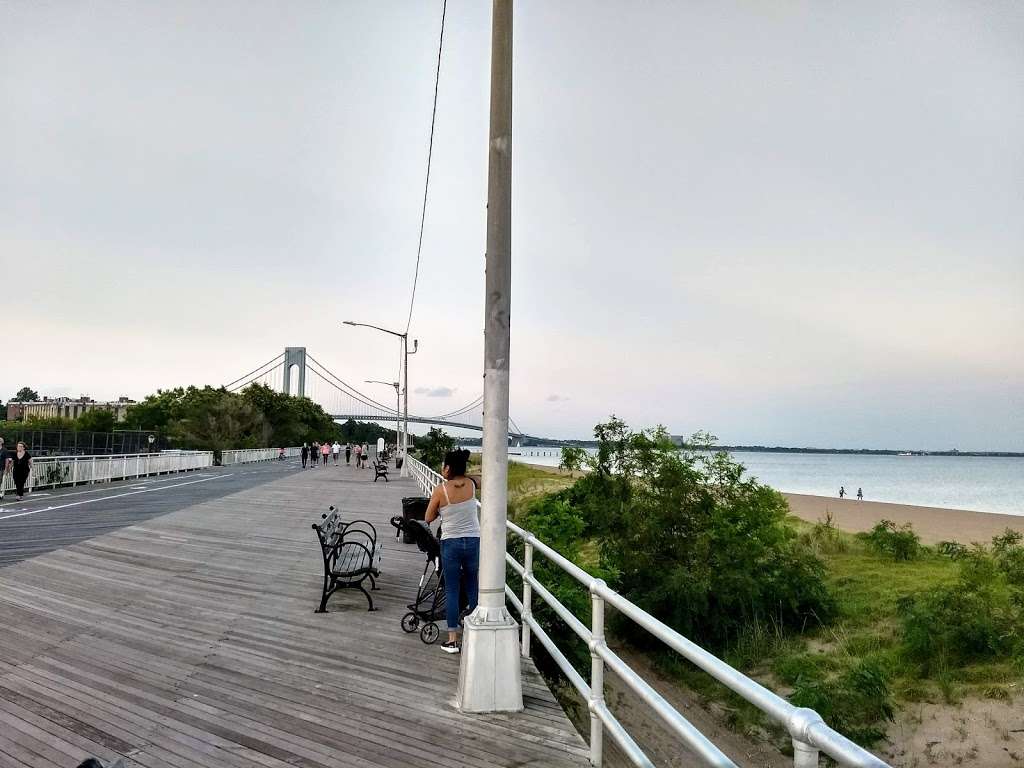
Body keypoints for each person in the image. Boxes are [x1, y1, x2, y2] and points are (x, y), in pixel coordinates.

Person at [425, 449, 479, 653]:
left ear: (448, 468)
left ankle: (452, 640)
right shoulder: (472, 485)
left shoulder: (441, 490)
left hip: (451, 544)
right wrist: (466, 476)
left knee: (453, 590)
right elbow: (480, 479)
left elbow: (428, 517)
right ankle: (475, 633)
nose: (442, 468)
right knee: (473, 585)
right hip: (474, 541)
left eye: (444, 465)